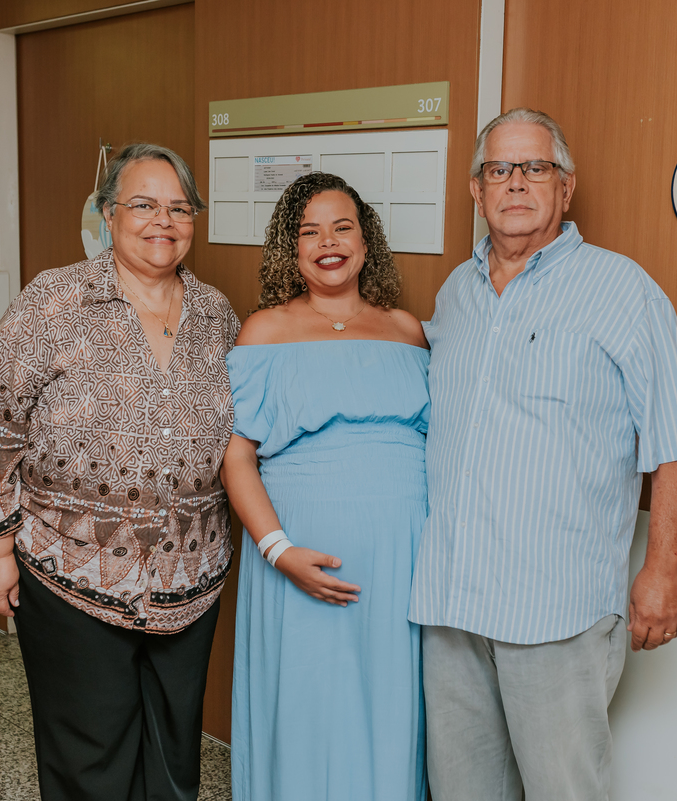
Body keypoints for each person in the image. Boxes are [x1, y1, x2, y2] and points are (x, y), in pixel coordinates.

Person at [410, 108, 677, 800]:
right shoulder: (456, 295)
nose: (516, 183)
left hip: (557, 614)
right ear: (476, 191)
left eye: (535, 167)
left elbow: (674, 444)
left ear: (565, 187)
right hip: (453, 605)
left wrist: (663, 568)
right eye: (499, 169)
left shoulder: (622, 290)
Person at [0, 143, 240, 801]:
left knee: (173, 758)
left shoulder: (216, 314)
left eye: (179, 207)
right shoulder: (56, 300)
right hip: (71, 574)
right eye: (143, 204)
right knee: (90, 759)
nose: (162, 221)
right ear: (109, 214)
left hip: (188, 580)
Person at [221, 172, 429, 801]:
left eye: (343, 227)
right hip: (298, 557)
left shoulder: (407, 330)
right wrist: (278, 550)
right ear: (292, 248)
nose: (328, 242)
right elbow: (236, 461)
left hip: (404, 556)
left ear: (368, 242)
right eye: (310, 231)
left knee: (391, 704)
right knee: (308, 709)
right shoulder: (265, 331)